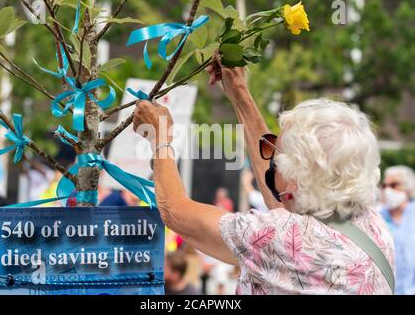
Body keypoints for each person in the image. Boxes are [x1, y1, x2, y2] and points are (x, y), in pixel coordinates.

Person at [133, 53, 395, 294]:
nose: (271, 160)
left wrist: (160, 138)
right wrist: (239, 94)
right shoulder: (373, 226)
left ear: (295, 177)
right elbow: (284, 203)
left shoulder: (278, 238)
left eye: (278, 156)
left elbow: (177, 213)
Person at [380, 166, 415, 295]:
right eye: (385, 186)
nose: (388, 190)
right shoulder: (378, 216)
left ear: (408, 187)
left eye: (394, 185)